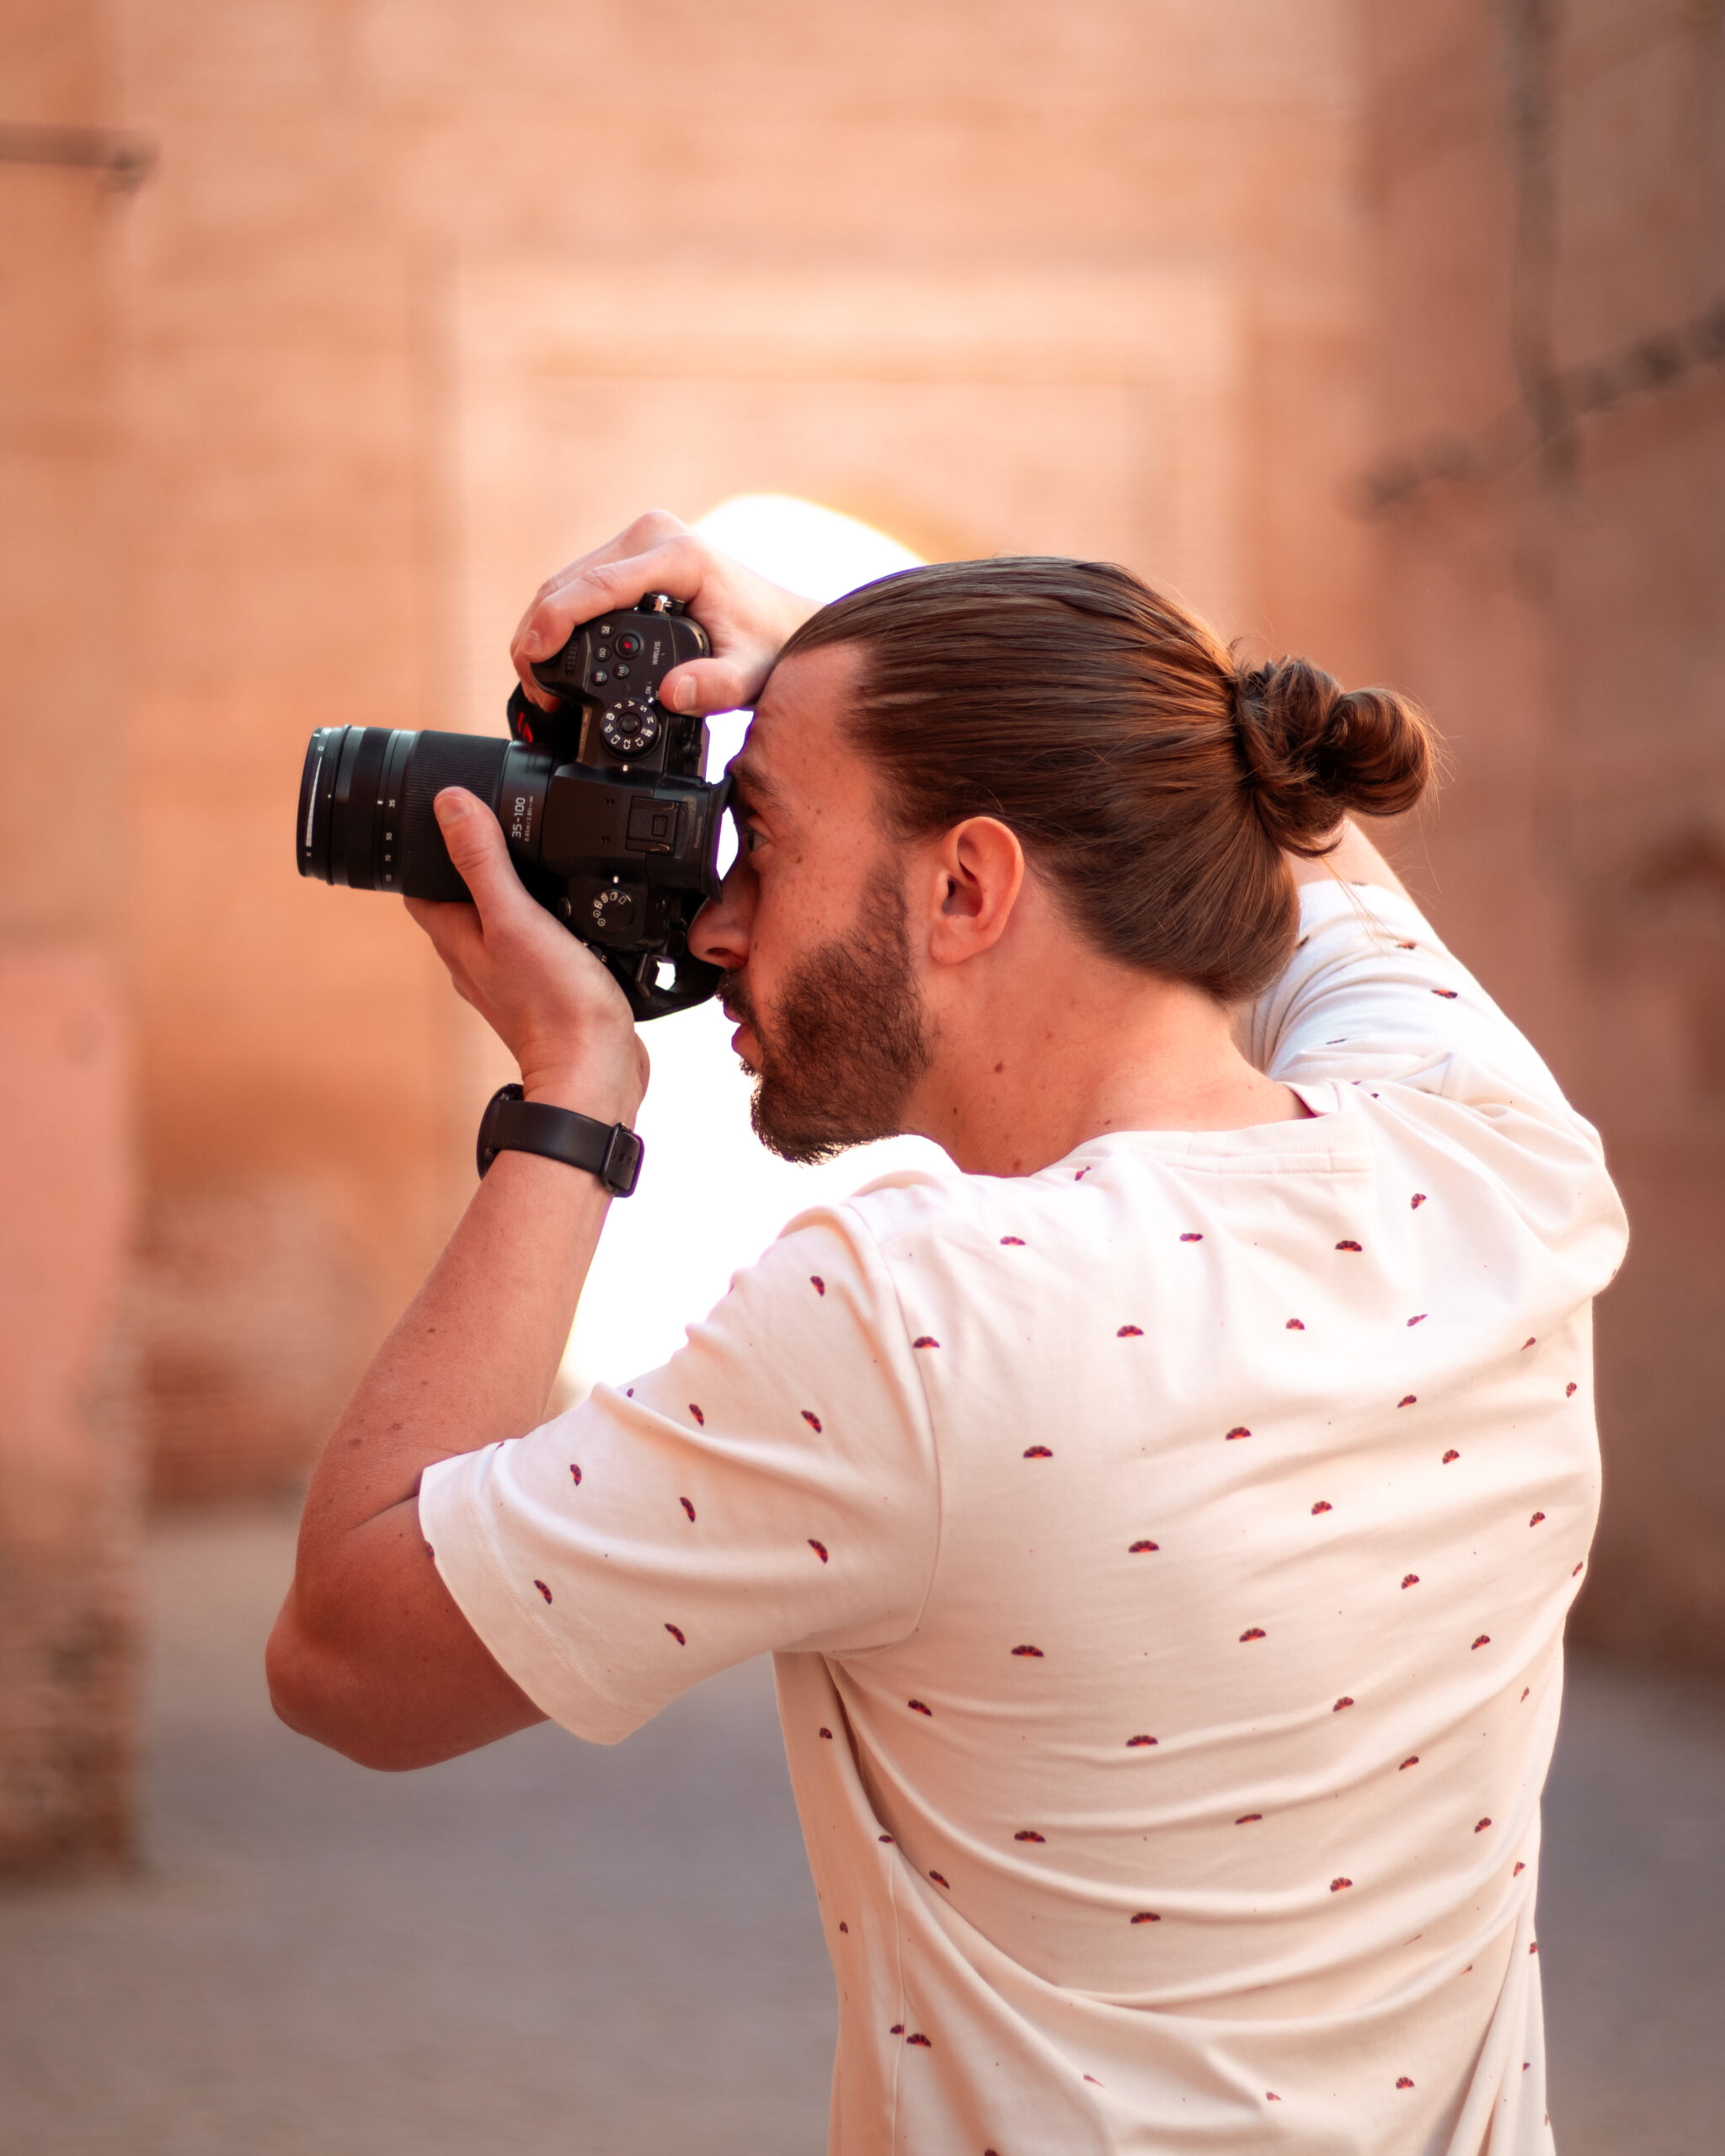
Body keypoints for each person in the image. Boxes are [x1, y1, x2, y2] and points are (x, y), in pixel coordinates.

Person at [268, 510, 1627, 2153]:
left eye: (757, 835)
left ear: (970, 883)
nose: (710, 926)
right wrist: (870, 665)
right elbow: (1261, 806)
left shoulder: (921, 1314)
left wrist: (572, 1088)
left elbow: (349, 1656)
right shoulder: (1496, 1156)